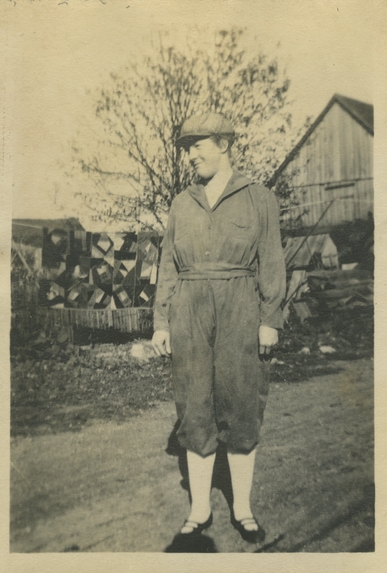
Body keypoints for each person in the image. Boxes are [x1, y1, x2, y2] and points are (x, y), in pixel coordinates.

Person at [152, 112, 286, 543]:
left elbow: (272, 261)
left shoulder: (259, 197)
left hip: (240, 307)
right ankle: (200, 509)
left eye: (197, 145)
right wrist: (161, 321)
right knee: (194, 406)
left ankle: (243, 508)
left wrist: (269, 319)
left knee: (241, 402)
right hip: (188, 308)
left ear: (224, 144)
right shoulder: (180, 203)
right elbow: (168, 267)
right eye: (187, 147)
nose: (190, 155)